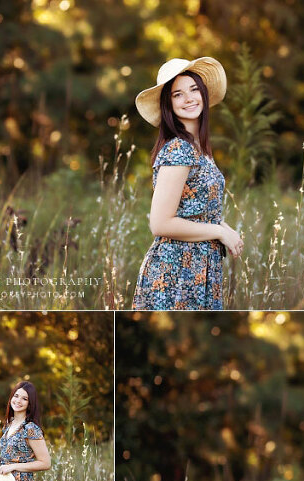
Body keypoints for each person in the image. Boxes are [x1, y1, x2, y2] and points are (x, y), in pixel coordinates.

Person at [132, 57, 243, 310]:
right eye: (178, 94)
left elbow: (195, 212)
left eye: (194, 89)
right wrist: (219, 232)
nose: (189, 98)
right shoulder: (179, 149)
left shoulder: (199, 149)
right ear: (168, 105)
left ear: (203, 94)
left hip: (199, 269)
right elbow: (160, 223)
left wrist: (225, 227)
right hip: (177, 271)